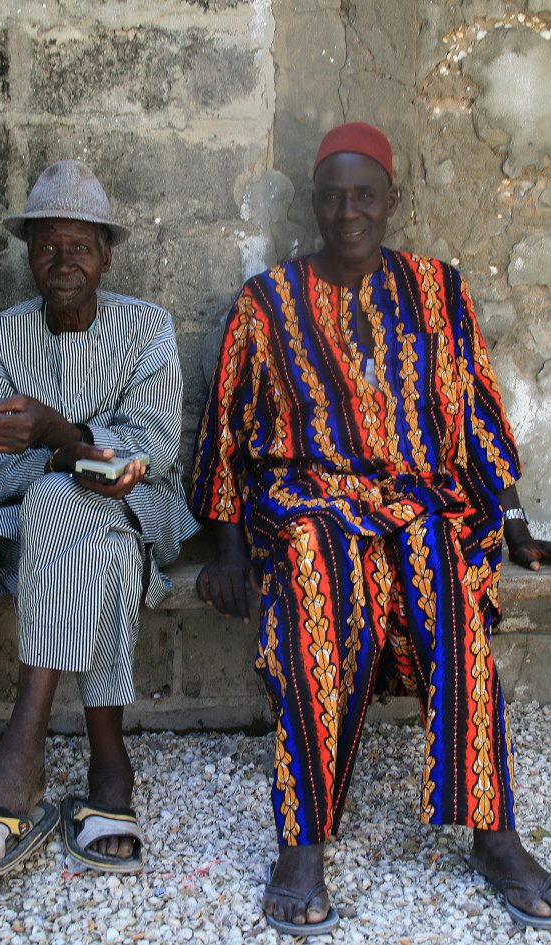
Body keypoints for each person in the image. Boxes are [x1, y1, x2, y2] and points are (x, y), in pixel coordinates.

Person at [190, 122, 551, 935]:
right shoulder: (267, 304)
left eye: (364, 195)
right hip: (309, 503)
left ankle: (496, 834)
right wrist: (230, 546)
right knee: (318, 585)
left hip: (416, 499)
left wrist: (517, 524)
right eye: (331, 194)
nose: (347, 210)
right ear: (313, 202)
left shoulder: (437, 291)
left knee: (453, 587)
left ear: (392, 201)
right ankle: (303, 843)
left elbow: (480, 417)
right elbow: (226, 431)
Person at [0, 160, 199, 878]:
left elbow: (155, 451)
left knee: (68, 501)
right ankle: (110, 766)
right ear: (29, 255)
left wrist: (58, 434)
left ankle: (22, 755)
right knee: (66, 512)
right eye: (49, 245)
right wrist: (70, 452)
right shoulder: (0, 336)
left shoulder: (147, 328)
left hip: (140, 510)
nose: (64, 260)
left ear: (107, 255)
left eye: (80, 246)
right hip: (29, 528)